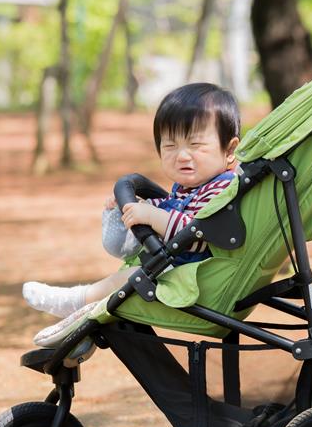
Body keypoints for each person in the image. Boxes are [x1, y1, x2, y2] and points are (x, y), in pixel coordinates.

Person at [23, 83, 240, 319]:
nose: (182, 155)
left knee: (131, 278)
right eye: (170, 145)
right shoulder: (191, 186)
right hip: (177, 268)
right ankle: (92, 303)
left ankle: (76, 300)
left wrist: (150, 215)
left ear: (229, 150)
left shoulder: (223, 188)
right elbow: (178, 208)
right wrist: (140, 206)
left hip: (197, 280)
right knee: (134, 270)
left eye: (195, 145)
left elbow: (198, 236)